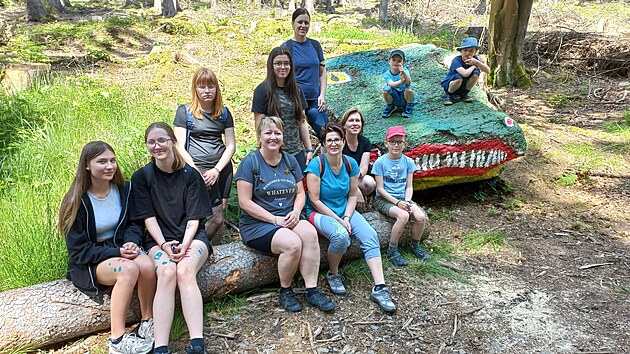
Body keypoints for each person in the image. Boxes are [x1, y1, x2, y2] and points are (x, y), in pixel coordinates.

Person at [58, 141, 155, 354]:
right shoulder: (76, 201)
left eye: (112, 160)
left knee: (147, 265)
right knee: (128, 269)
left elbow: (134, 223)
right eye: (101, 161)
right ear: (86, 165)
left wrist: (131, 241)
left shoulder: (124, 190)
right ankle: (117, 341)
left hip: (121, 249)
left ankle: (147, 323)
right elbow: (79, 251)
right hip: (92, 260)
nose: (109, 166)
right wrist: (116, 252)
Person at [235, 116, 335, 313]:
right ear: (260, 136)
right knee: (292, 244)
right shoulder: (250, 163)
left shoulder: (290, 160)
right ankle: (286, 290)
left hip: (288, 216)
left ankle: (312, 290)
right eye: (268, 133)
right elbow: (244, 202)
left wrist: (297, 212)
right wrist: (273, 219)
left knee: (310, 234)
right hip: (258, 223)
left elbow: (300, 193)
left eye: (277, 133)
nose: (273, 137)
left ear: (283, 136)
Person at [130, 122, 212, 354]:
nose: (157, 146)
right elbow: (148, 217)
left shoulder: (190, 175)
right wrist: (165, 245)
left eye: (162, 140)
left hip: (193, 237)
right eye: (152, 142)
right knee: (166, 273)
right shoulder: (142, 177)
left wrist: (184, 246)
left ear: (173, 142)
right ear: (147, 146)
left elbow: (195, 218)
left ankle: (197, 343)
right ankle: (161, 346)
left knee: (185, 271)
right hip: (158, 240)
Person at [305, 123, 396, 313]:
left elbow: (353, 195)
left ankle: (380, 288)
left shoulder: (349, 164)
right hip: (320, 212)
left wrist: (346, 216)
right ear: (323, 144)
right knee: (340, 236)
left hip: (345, 210)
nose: (333, 143)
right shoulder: (317, 165)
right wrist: (339, 220)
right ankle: (333, 273)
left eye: (337, 139)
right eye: (329, 140)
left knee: (370, 235)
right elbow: (314, 200)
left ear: (343, 141)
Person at [173, 67, 236, 254]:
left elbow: (231, 145)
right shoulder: (185, 112)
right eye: (202, 87)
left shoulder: (224, 113)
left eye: (211, 86)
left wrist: (216, 170)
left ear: (217, 89)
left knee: (218, 216)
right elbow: (178, 145)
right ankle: (189, 249)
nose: (207, 91)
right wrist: (194, 171)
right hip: (194, 169)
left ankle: (209, 251)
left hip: (221, 169)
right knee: (193, 212)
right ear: (195, 89)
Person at [372, 126, 431, 267]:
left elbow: (409, 186)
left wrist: (408, 201)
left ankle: (414, 245)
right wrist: (398, 203)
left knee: (420, 216)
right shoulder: (380, 163)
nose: (396, 145)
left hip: (403, 198)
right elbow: (380, 188)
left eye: (399, 142)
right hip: (385, 200)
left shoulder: (408, 162)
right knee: (403, 216)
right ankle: (392, 250)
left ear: (405, 144)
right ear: (386, 143)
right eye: (392, 141)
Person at [252, 46, 314, 171]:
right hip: (273, 151)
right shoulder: (262, 90)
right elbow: (259, 125)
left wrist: (309, 149)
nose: (282, 67)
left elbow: (301, 121)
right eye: (278, 63)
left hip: (296, 151)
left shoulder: (297, 90)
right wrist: (261, 150)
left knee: (300, 188)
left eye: (286, 63)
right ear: (271, 65)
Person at [282, 7, 329, 140]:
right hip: (294, 100)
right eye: (300, 22)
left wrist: (322, 95)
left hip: (315, 100)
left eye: (306, 23)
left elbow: (322, 72)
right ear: (293, 24)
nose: (303, 26)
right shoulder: (286, 47)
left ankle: (324, 160)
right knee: (293, 138)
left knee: (325, 134)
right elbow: (281, 75)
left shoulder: (315, 45)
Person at [341, 108, 376, 212]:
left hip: (356, 177)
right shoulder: (339, 142)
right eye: (351, 120)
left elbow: (364, 168)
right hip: (340, 178)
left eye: (358, 120)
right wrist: (356, 190)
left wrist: (354, 184)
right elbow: (339, 171)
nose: (355, 123)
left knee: (369, 182)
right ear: (344, 125)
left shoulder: (365, 142)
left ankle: (355, 202)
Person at [440, 37, 490, 105]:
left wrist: (477, 63)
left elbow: (488, 70)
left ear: (475, 52)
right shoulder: (456, 60)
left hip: (464, 84)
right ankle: (449, 95)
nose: (467, 53)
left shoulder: (475, 59)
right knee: (459, 78)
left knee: (476, 74)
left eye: (471, 51)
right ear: (461, 51)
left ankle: (464, 94)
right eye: (465, 50)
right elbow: (465, 74)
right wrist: (474, 66)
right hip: (451, 84)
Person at [382, 49, 415, 118]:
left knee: (409, 89)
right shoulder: (387, 74)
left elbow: (409, 82)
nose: (396, 62)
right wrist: (401, 81)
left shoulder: (405, 71)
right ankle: (390, 105)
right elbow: (392, 85)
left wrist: (403, 73)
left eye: (399, 61)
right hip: (395, 95)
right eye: (394, 60)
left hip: (404, 95)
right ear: (389, 61)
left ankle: (409, 105)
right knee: (386, 90)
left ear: (403, 63)